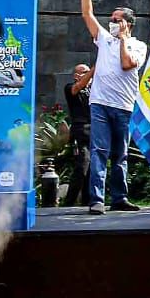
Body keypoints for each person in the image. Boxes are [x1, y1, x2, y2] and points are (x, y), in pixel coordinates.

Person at [78, 0, 146, 215]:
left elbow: (127, 64)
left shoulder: (138, 45)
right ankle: (96, 199)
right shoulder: (104, 39)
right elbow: (87, 14)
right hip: (100, 103)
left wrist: (123, 39)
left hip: (124, 106)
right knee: (99, 151)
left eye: (118, 20)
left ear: (128, 23)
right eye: (112, 19)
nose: (113, 23)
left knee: (120, 154)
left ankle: (119, 198)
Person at [61, 63, 94, 207]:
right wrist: (93, 70)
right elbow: (77, 88)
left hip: (94, 129)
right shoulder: (70, 88)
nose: (87, 75)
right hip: (80, 129)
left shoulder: (93, 90)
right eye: (84, 72)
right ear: (76, 75)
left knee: (92, 167)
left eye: (87, 72)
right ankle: (69, 201)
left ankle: (87, 200)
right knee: (82, 165)